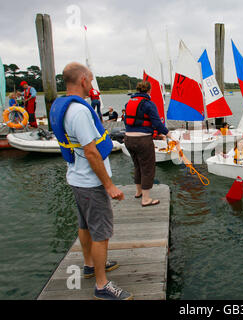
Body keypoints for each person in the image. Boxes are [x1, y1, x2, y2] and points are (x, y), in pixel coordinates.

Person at [49, 62, 132, 300]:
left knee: (84, 225)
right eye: (92, 79)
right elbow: (92, 152)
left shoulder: (61, 106)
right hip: (90, 183)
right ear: (83, 80)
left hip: (76, 178)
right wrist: (109, 185)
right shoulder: (80, 111)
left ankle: (88, 265)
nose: (92, 84)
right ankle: (102, 285)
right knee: (101, 233)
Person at [124, 80, 177, 206]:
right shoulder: (149, 104)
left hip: (128, 139)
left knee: (137, 166)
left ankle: (138, 192)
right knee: (147, 168)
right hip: (142, 140)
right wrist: (170, 135)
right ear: (149, 91)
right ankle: (146, 199)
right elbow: (158, 124)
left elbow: (128, 121)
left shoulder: (128, 103)